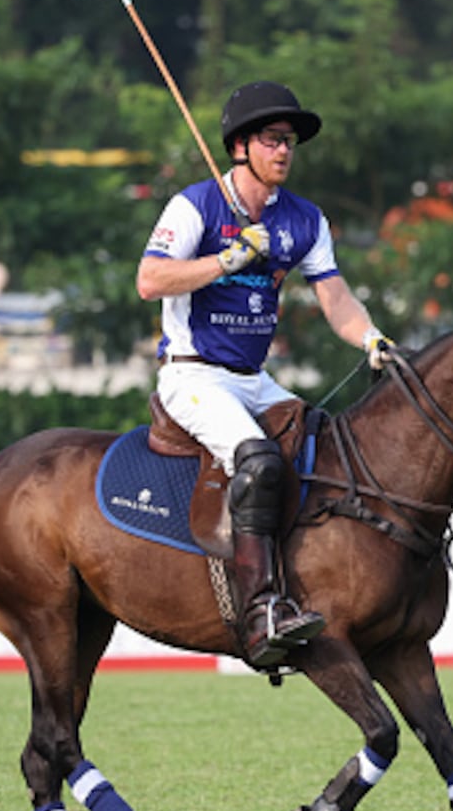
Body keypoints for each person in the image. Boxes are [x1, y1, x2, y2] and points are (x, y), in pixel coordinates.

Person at [136, 80, 396, 667]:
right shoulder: (195, 206)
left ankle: (313, 580)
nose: (285, 151)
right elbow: (150, 280)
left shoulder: (304, 221)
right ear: (240, 146)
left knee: (327, 445)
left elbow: (336, 300)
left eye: (291, 142)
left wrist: (372, 338)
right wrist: (225, 259)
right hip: (193, 375)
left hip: (255, 378)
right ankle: (262, 610)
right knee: (257, 457)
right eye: (274, 140)